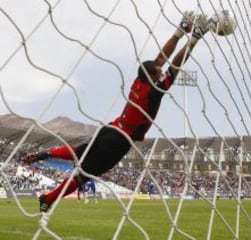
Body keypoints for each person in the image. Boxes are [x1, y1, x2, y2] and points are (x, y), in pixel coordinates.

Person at [23, 11, 210, 212]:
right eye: (159, 73)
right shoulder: (154, 92)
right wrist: (195, 39)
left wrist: (179, 32)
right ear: (153, 77)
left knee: (81, 152)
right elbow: (175, 65)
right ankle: (48, 200)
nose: (162, 72)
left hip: (111, 129)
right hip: (119, 141)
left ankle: (45, 154)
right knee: (83, 175)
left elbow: (160, 60)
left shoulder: (139, 82)